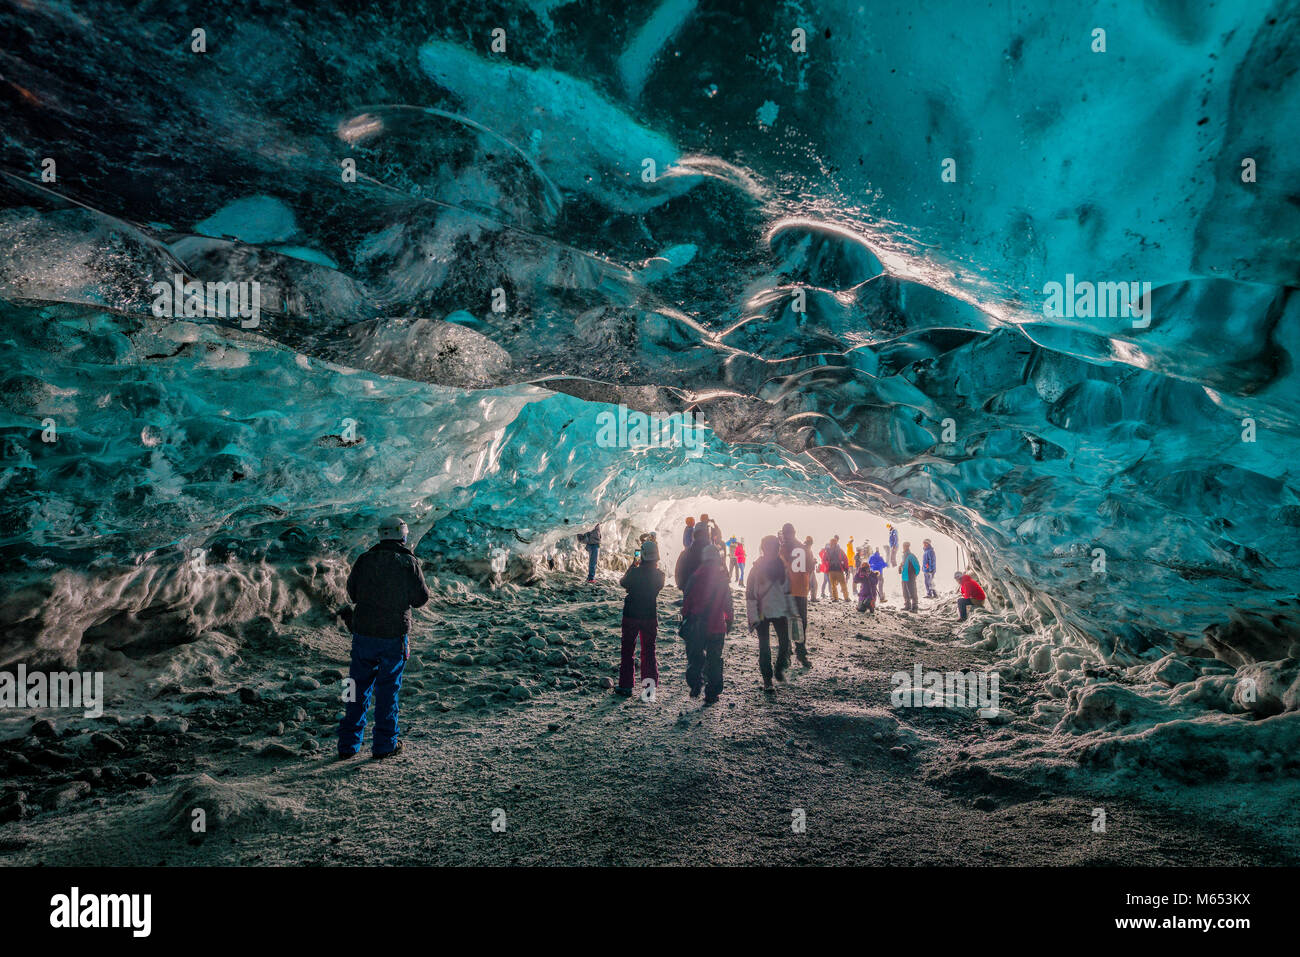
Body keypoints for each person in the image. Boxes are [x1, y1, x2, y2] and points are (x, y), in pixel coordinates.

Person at [339, 516, 430, 759]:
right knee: (388, 689)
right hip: (393, 635)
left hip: (363, 634)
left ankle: (347, 744)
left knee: (354, 687)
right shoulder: (409, 562)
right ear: (403, 535)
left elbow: (352, 593)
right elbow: (421, 599)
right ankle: (384, 744)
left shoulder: (364, 559)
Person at [681, 544, 733, 704]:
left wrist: (685, 617)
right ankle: (712, 694)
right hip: (717, 626)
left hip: (698, 626)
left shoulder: (696, 576)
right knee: (715, 660)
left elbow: (687, 601)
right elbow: (727, 604)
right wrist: (729, 620)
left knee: (695, 657)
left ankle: (695, 683)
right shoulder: (722, 578)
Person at [747, 535, 799, 692]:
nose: (775, 550)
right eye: (774, 547)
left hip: (774, 611)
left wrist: (793, 612)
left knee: (779, 644)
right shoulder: (759, 569)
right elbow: (751, 595)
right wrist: (753, 617)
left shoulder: (779, 568)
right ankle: (768, 679)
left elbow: (787, 591)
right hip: (766, 612)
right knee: (770, 645)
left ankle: (775, 672)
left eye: (776, 548)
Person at [616, 540, 664, 697]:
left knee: (628, 649)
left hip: (631, 615)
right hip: (649, 616)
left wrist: (633, 565)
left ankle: (626, 686)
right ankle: (649, 689)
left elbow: (623, 582)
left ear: (642, 555)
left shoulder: (634, 573)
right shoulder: (660, 576)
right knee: (649, 650)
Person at [778, 525, 812, 666]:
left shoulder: (782, 549)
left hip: (786, 590)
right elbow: (810, 567)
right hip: (801, 590)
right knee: (801, 621)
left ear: (784, 534)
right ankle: (801, 653)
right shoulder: (804, 548)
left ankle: (786, 654)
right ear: (795, 532)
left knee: (785, 621)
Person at [675, 521, 712, 590]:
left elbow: (678, 579)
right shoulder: (714, 554)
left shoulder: (685, 553)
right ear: (708, 535)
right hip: (709, 596)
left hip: (689, 594)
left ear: (694, 535)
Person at [825, 536, 849, 602]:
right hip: (837, 570)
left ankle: (837, 598)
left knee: (835, 585)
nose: (831, 544)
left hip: (833, 570)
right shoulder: (839, 550)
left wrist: (827, 566)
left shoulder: (828, 551)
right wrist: (846, 568)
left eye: (832, 543)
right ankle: (845, 598)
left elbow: (824, 560)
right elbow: (845, 559)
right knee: (841, 585)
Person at [899, 542, 921, 611]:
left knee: (912, 591)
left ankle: (915, 606)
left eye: (906, 546)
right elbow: (903, 566)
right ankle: (907, 605)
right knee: (905, 592)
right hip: (904, 577)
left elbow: (917, 567)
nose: (904, 547)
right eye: (904, 546)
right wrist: (900, 568)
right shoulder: (904, 556)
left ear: (908, 546)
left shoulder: (911, 556)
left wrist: (914, 575)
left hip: (910, 577)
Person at [805, 535, 819, 604]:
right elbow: (807, 560)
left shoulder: (808, 549)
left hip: (810, 569)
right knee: (811, 584)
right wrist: (813, 561)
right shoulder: (806, 549)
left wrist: (813, 560)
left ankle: (813, 597)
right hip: (808, 570)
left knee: (813, 584)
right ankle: (810, 598)